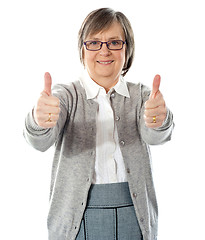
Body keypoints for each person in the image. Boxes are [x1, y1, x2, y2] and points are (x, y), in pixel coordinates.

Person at [24, 8, 174, 240]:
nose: (104, 50)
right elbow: (40, 140)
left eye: (114, 42)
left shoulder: (142, 96)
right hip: (78, 219)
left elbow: (156, 135)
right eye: (94, 42)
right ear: (83, 50)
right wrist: (39, 119)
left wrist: (159, 119)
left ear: (127, 49)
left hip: (134, 215)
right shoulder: (65, 96)